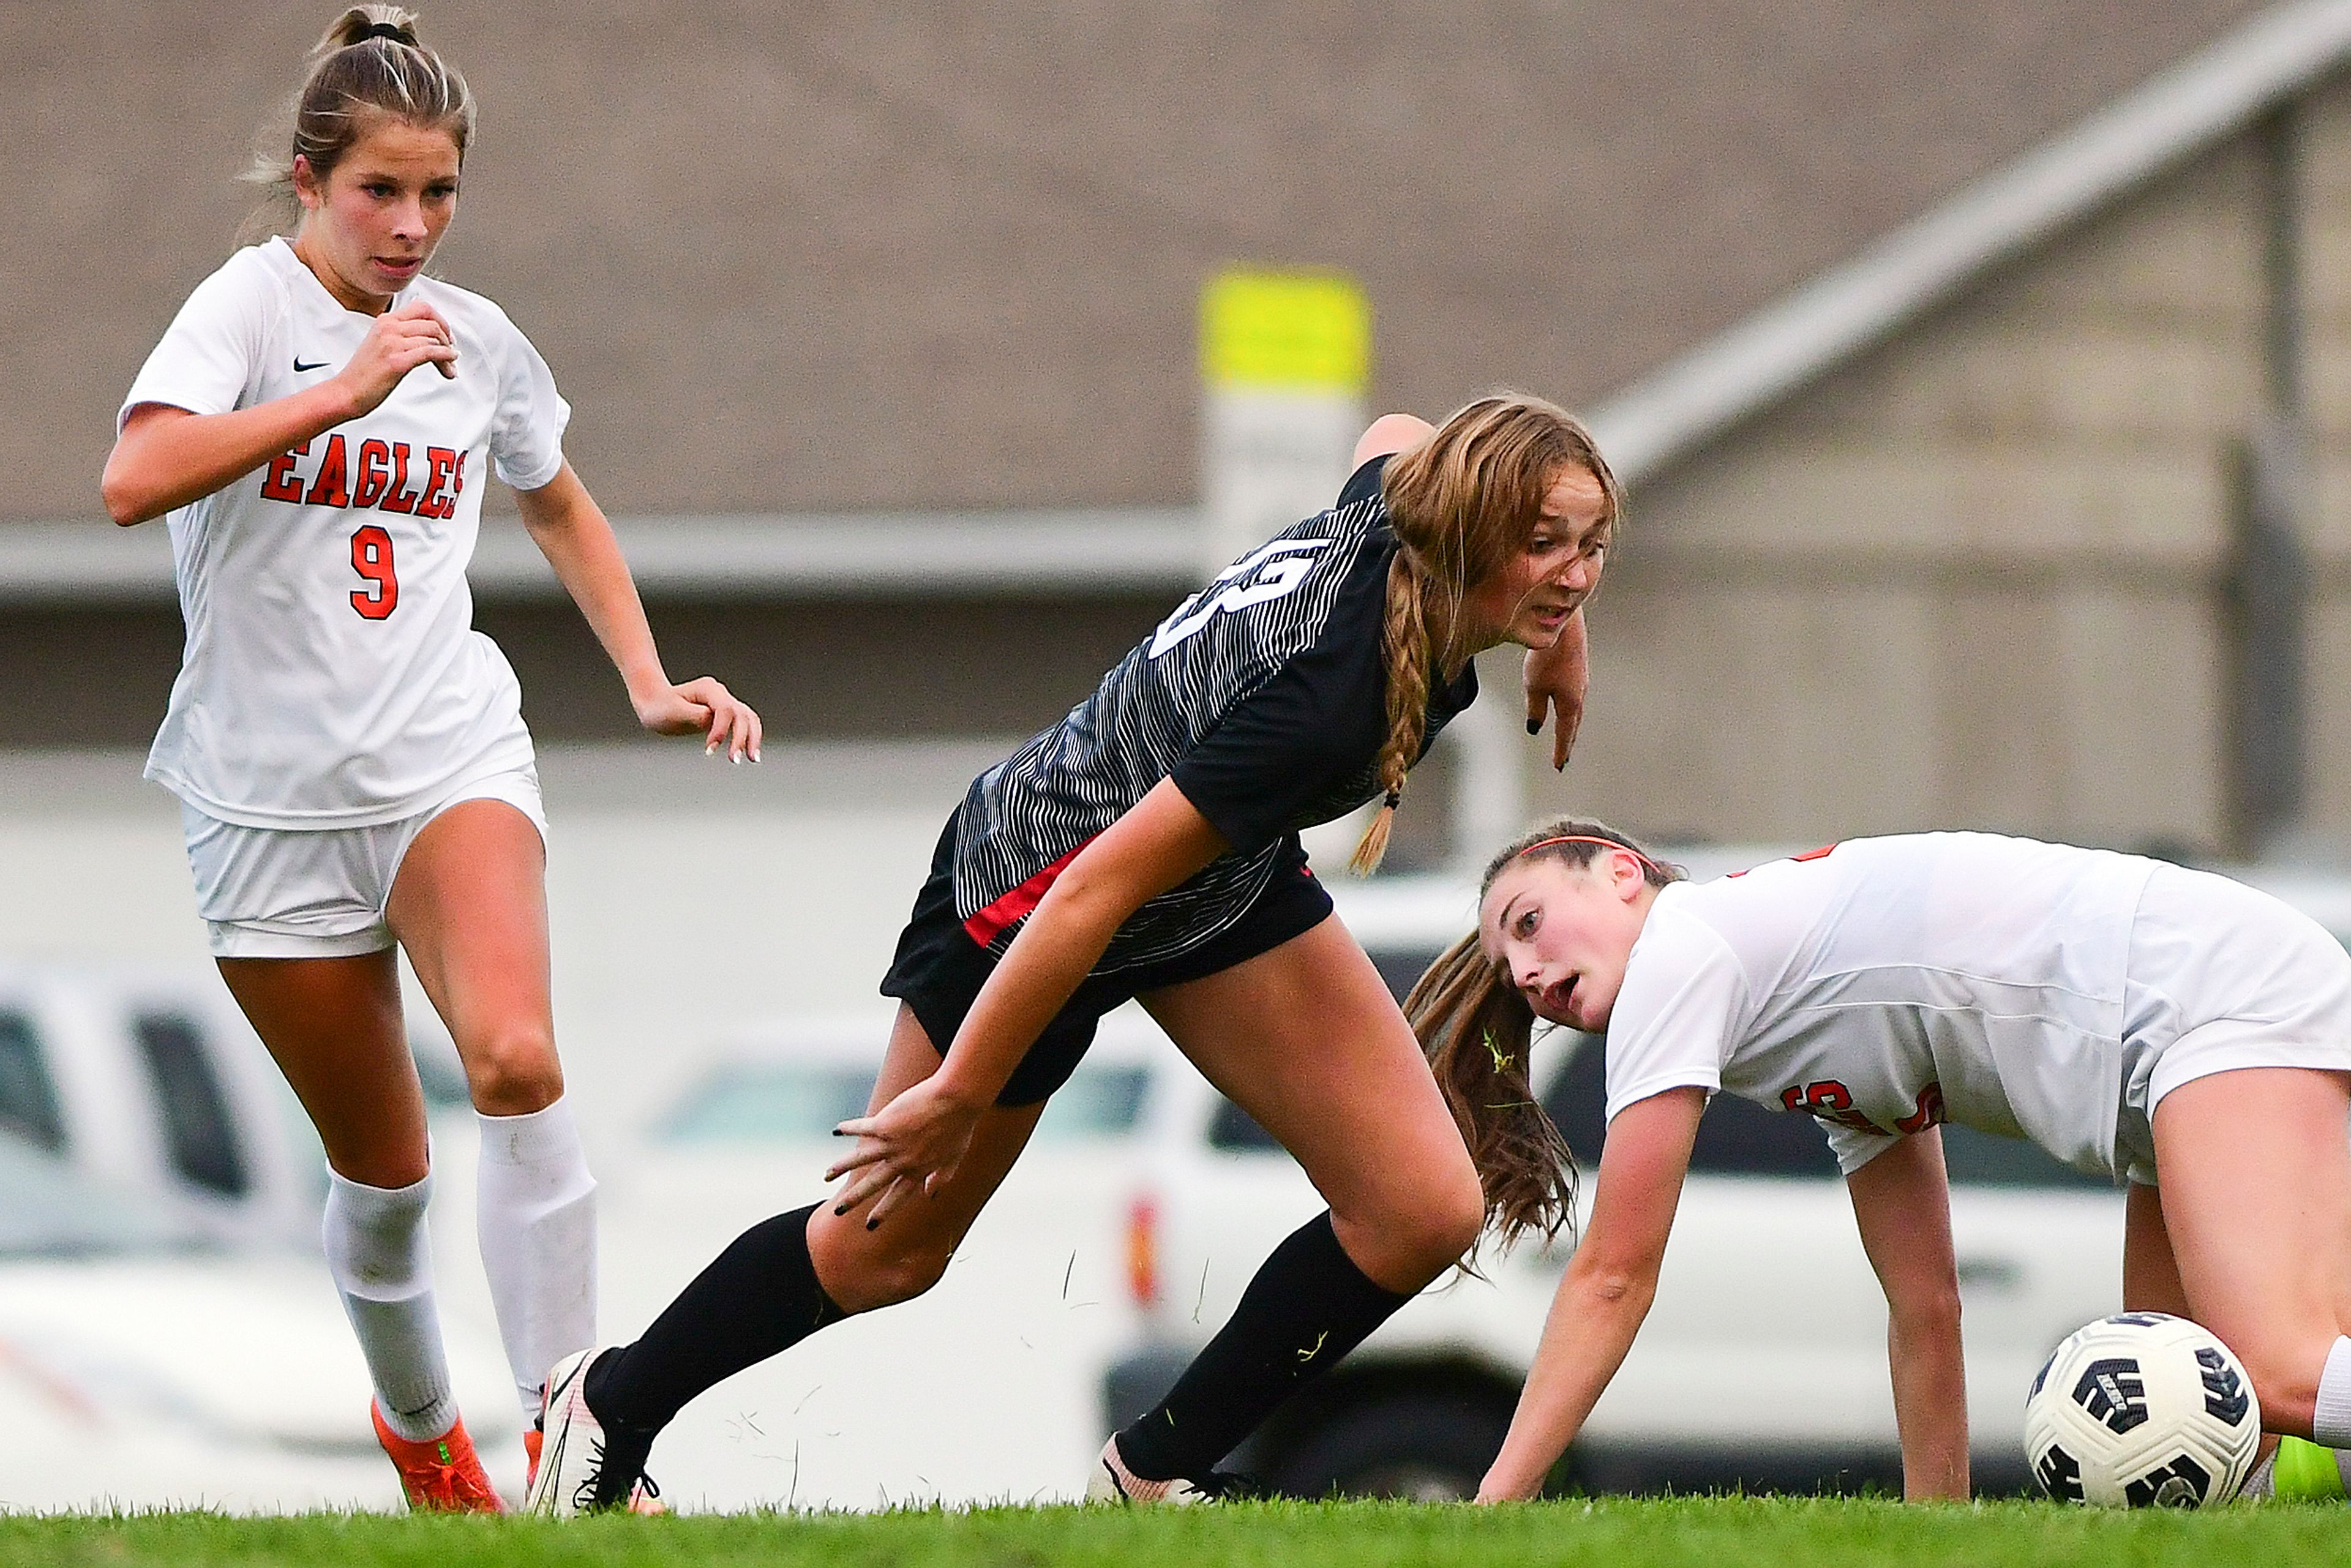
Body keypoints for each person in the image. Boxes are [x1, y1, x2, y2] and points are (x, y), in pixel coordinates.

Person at [522, 392, 1616, 1512]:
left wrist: (1557, 638)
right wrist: (960, 1090)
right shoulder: (1334, 697)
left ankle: (1153, 1471)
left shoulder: (1405, 499)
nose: (1574, 573)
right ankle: (605, 1409)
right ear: (1470, 530)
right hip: (1030, 887)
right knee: (883, 1250)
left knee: (1420, 1207)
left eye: (1589, 547)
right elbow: (1091, 887)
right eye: (1543, 546)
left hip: (1202, 889)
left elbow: (1393, 424)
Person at [100, 6, 762, 1513]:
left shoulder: (480, 339)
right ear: (311, 182)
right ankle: (423, 1444)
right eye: (380, 192)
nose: (412, 226)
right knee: (388, 1185)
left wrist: (649, 678)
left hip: (445, 751)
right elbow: (131, 480)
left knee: (520, 1063)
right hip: (262, 802)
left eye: (440, 191)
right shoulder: (246, 311)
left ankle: (578, 1439)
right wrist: (338, 392)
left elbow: (558, 501)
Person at [1406, 820, 2351, 1502]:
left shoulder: (1682, 947)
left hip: (2204, 992)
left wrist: (1495, 1507)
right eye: (1507, 971)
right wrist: (1931, 1527)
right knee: (2203, 1449)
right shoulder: (1808, 1033)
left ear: (1620, 873)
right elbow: (1925, 1308)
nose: (1524, 974)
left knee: (2271, 1374)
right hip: (2185, 1024)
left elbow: (1614, 1274)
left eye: (1526, 923)